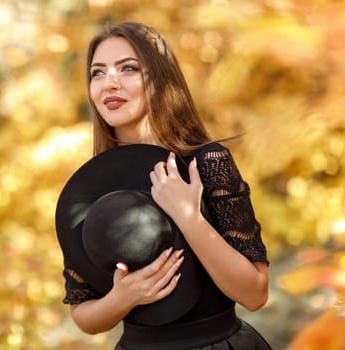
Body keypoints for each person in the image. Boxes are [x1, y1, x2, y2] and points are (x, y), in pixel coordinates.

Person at [56, 21, 271, 349]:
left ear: (159, 78)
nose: (109, 82)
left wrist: (189, 218)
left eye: (128, 69)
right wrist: (123, 298)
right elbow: (83, 313)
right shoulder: (91, 189)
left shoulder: (207, 163)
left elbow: (255, 294)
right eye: (97, 73)